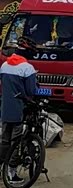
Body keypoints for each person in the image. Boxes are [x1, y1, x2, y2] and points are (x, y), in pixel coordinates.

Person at [0, 45, 37, 175]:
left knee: (4, 139)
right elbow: (31, 90)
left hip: (5, 108)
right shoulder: (27, 68)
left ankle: (1, 166)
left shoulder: (4, 66)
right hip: (19, 109)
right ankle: (12, 171)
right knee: (16, 141)